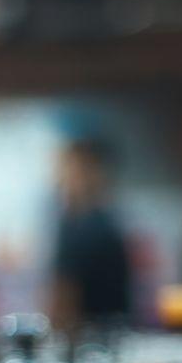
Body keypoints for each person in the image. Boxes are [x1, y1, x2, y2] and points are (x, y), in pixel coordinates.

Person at [49, 137, 134, 335]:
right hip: (113, 339)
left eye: (73, 172)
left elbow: (64, 301)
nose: (64, 181)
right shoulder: (110, 225)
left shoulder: (79, 228)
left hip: (85, 344)